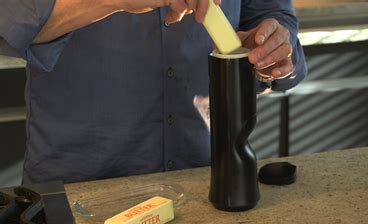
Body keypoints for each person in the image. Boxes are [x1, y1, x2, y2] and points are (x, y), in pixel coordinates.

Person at [0, 0, 307, 184]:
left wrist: (272, 49)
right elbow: (9, 20)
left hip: (207, 185)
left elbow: (272, 16)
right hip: (78, 194)